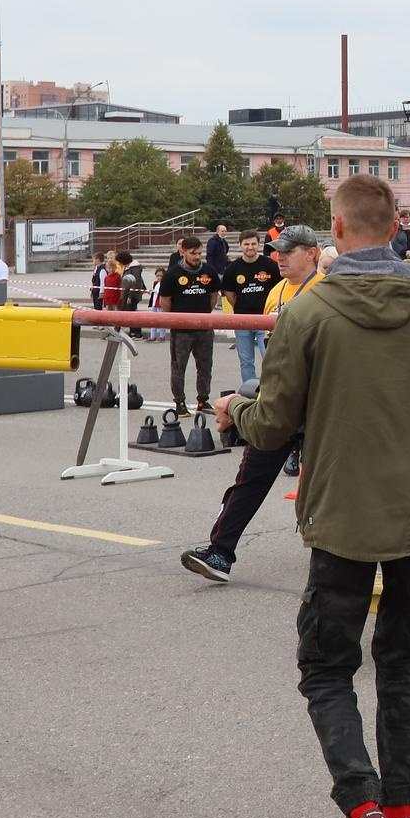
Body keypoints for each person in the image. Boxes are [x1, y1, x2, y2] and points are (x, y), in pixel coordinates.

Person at [220, 175, 410, 818]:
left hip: (346, 514)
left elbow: (273, 421)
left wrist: (234, 406)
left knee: (327, 666)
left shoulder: (311, 311)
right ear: (393, 226)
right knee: (401, 658)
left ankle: (361, 812)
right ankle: (403, 811)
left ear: (338, 228)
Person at [182, 225, 326, 581]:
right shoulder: (276, 290)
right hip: (279, 398)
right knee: (251, 476)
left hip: (319, 400)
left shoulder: (326, 290)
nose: (279, 257)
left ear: (312, 253)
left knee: (327, 482)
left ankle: (337, 555)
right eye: (277, 250)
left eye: (288, 251)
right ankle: (219, 553)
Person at [157, 235, 221, 412]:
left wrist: (204, 316)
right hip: (181, 331)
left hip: (204, 328)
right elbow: (165, 301)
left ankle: (202, 399)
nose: (197, 257)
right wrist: (174, 320)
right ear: (183, 251)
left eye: (200, 253)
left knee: (205, 367)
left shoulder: (208, 271)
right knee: (178, 368)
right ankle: (179, 401)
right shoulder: (172, 274)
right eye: (193, 253)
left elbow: (213, 296)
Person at [226, 230, 283, 394]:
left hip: (265, 320)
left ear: (258, 245)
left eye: (253, 244)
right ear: (240, 245)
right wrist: (240, 306)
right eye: (246, 244)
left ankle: (271, 391)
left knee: (269, 358)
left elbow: (279, 288)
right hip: (242, 320)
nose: (250, 247)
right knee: (246, 361)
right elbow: (229, 294)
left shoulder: (270, 265)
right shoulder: (233, 268)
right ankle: (250, 392)